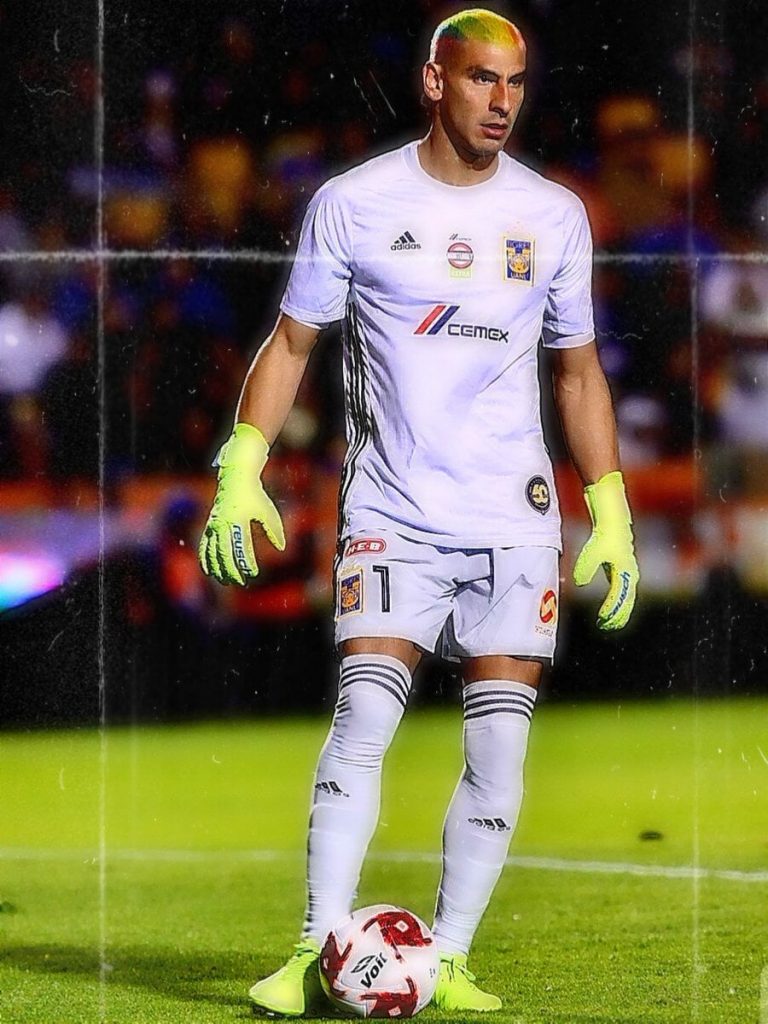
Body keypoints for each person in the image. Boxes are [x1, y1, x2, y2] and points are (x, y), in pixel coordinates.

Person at [198, 7, 639, 1015]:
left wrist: (609, 509)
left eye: (516, 82)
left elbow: (578, 373)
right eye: (483, 78)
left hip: (514, 517)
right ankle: (316, 950)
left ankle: (450, 955)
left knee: (499, 749)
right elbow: (293, 342)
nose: (503, 101)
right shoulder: (355, 203)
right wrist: (243, 464)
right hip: (392, 509)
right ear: (436, 81)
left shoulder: (552, 214)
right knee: (363, 715)